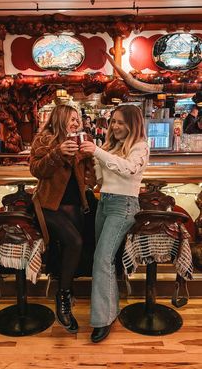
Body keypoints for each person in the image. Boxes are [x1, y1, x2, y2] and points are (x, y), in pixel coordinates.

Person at [80, 104, 149, 343]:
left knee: (102, 260)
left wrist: (98, 153)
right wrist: (91, 160)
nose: (116, 126)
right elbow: (101, 180)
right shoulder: (111, 145)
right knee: (105, 260)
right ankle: (110, 310)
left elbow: (129, 170)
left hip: (125, 206)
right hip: (105, 203)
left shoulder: (140, 146)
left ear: (133, 123)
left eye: (121, 122)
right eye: (113, 122)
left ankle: (102, 320)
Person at [30, 104, 96, 333]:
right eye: (72, 118)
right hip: (49, 206)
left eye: (78, 119)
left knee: (74, 248)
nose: (76, 123)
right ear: (59, 119)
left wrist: (91, 155)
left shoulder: (81, 140)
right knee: (74, 242)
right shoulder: (45, 140)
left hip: (76, 207)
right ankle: (63, 298)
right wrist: (57, 153)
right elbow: (36, 170)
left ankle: (66, 289)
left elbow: (92, 181)